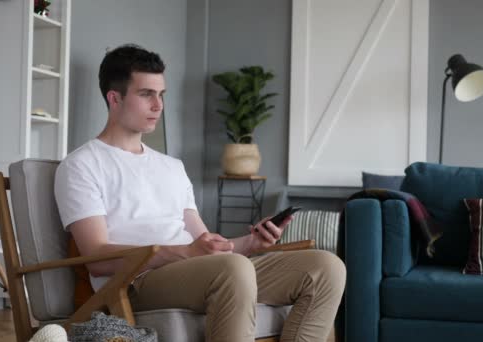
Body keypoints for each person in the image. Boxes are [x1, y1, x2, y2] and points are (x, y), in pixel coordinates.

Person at [54, 44, 346, 342]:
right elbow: (96, 258)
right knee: (231, 270)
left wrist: (251, 241)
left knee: (326, 268)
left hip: (197, 271)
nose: (158, 105)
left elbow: (205, 244)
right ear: (115, 99)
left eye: (161, 94)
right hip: (135, 282)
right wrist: (182, 252)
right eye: (146, 94)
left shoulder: (171, 167)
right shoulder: (82, 165)